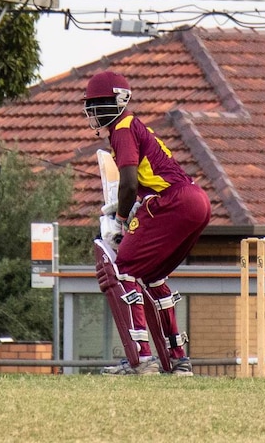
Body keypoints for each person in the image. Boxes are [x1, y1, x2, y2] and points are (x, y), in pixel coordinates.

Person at [84, 71, 212, 375]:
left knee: (123, 269)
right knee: (153, 276)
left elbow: (128, 183)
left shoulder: (123, 128)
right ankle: (179, 359)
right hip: (196, 201)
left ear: (120, 100)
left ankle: (141, 359)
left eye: (100, 103)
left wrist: (119, 220)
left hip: (172, 201)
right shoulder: (136, 126)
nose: (94, 111)